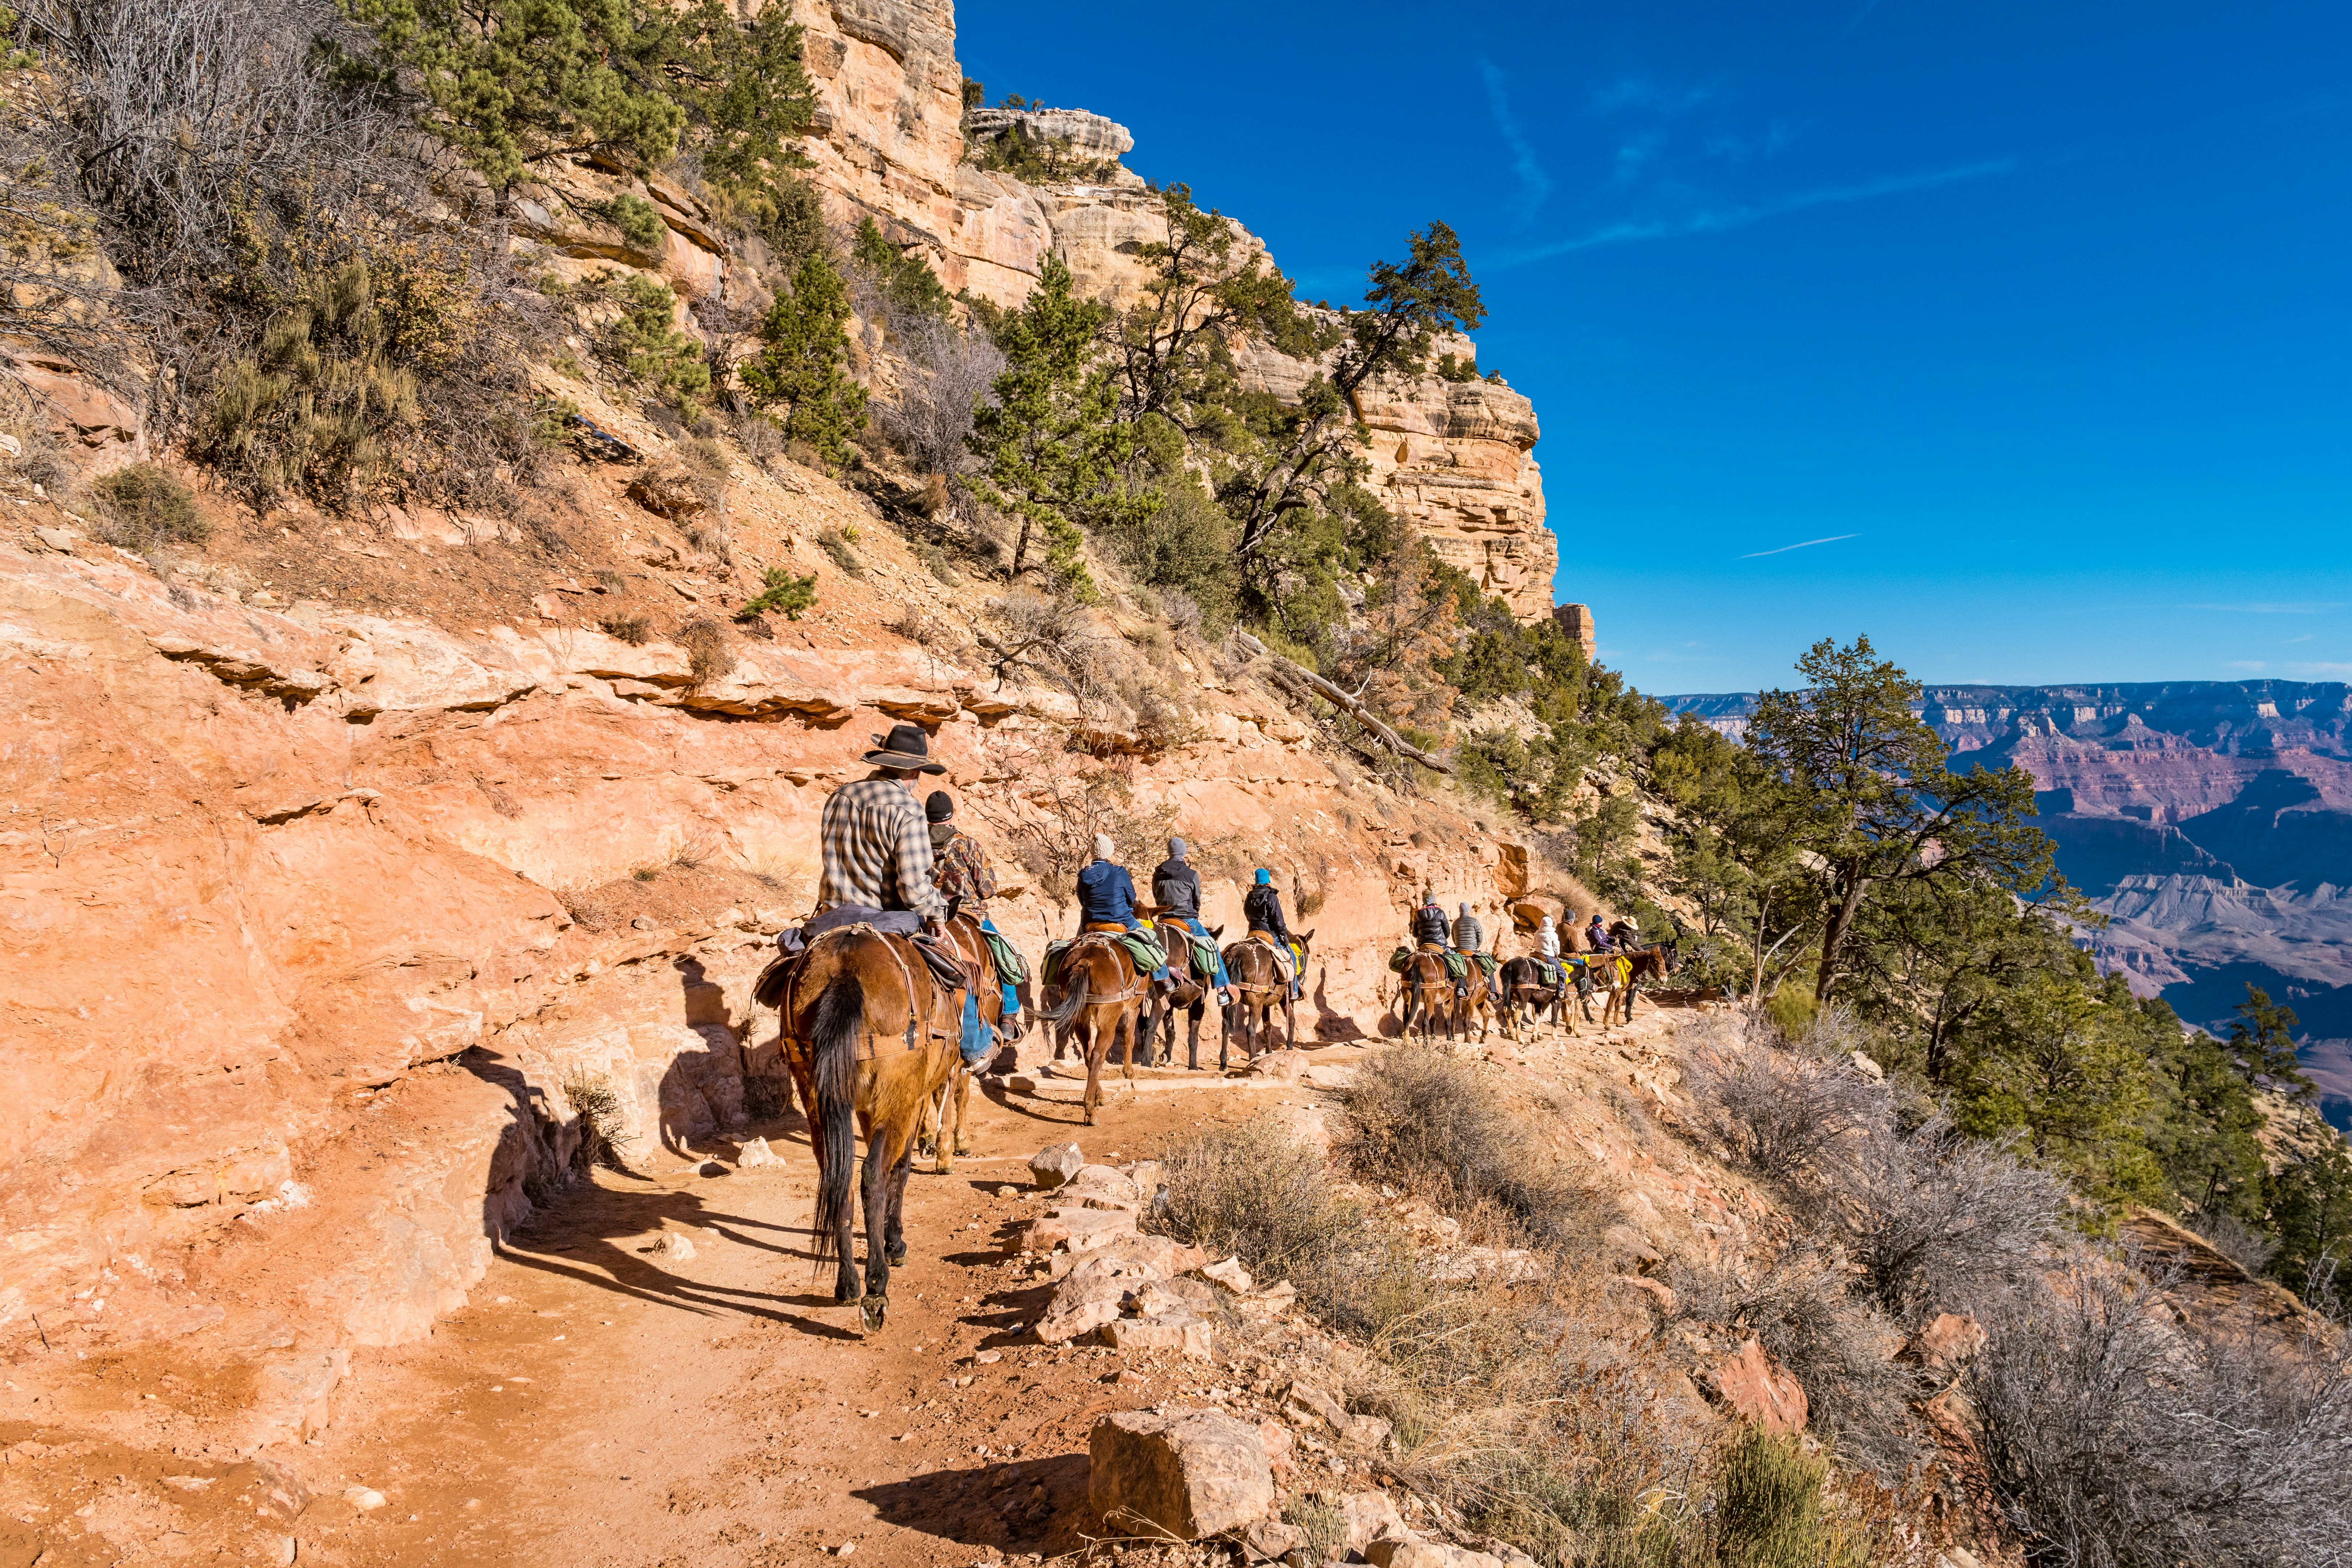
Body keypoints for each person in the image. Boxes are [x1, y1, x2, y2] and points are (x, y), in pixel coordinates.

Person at [817, 723, 947, 927]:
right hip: (881, 919)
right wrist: (936, 913)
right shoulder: (909, 809)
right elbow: (913, 888)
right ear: (914, 773)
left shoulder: (841, 795)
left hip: (831, 916)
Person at [928, 791, 1020, 1027]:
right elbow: (988, 889)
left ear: (928, 817)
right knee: (1003, 954)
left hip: (928, 916)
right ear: (951, 815)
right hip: (969, 914)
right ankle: (1009, 1015)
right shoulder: (967, 844)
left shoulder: (916, 843)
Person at [1075, 834, 1170, 985]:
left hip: (1090, 923)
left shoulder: (1084, 875)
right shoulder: (1119, 872)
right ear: (1109, 852)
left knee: (1075, 944)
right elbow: (1132, 897)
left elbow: (1082, 900)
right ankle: (1164, 978)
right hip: (1121, 920)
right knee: (1150, 938)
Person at [1150, 837, 1234, 1006]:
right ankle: (1222, 991)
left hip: (1163, 920)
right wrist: (1193, 914)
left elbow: (1156, 895)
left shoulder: (1157, 873)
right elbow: (1197, 900)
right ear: (1184, 852)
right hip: (1186, 920)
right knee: (1212, 946)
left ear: (1169, 852)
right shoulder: (1191, 874)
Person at [1243, 869, 1303, 1001]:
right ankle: (1294, 991)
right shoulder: (1271, 897)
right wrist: (1284, 935)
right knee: (1293, 958)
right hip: (1270, 936)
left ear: (1257, 881)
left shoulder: (1250, 896)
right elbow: (1278, 919)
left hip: (1253, 934)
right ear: (1268, 881)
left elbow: (1247, 913)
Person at [1412, 890, 1464, 997]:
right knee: (1457, 959)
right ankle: (1461, 989)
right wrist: (1441, 937)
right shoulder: (1440, 912)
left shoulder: (1418, 914)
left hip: (1423, 946)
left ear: (1423, 900)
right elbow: (1447, 932)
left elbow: (1414, 934)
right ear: (1433, 899)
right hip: (1439, 946)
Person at [1453, 901, 1498, 991]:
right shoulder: (1474, 921)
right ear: (1469, 912)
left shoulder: (1455, 923)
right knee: (1489, 965)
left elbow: (1454, 938)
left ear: (1460, 912)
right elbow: (1480, 937)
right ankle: (1493, 992)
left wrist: (1459, 946)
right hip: (1472, 950)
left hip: (1460, 951)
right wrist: (1475, 946)